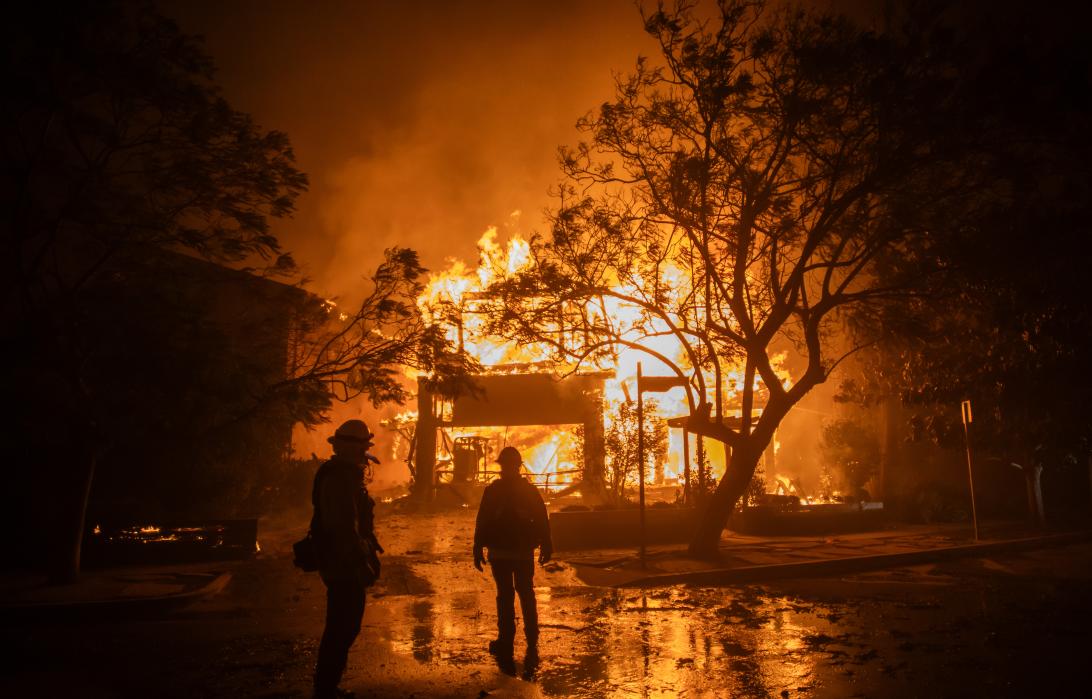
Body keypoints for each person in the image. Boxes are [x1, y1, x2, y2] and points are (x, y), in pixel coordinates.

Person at [311, 419, 383, 699]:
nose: (365, 456)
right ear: (353, 449)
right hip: (342, 563)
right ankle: (326, 689)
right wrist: (359, 561)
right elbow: (343, 526)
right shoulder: (339, 479)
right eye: (363, 447)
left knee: (345, 626)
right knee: (342, 626)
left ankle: (328, 686)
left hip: (342, 560)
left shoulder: (343, 475)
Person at [473, 446, 553, 661]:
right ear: (518, 466)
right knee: (525, 593)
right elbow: (542, 519)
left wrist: (477, 547)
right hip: (521, 551)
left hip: (502, 552)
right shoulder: (528, 490)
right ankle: (531, 637)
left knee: (506, 595)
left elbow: (482, 521)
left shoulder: (492, 491)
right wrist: (546, 544)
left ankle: (506, 639)